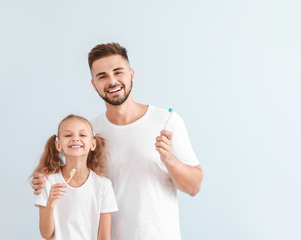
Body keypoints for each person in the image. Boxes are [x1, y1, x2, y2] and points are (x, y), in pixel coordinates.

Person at [33, 43, 203, 240]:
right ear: (93, 84)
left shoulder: (167, 122)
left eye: (118, 72)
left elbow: (194, 187)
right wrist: (45, 180)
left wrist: (169, 159)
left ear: (131, 74)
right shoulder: (89, 133)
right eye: (102, 76)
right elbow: (72, 178)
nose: (112, 81)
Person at [33, 114, 118, 240]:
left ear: (93, 144)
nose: (75, 139)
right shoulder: (48, 182)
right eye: (68, 135)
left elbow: (103, 236)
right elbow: (46, 234)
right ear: (58, 145)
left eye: (82, 135)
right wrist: (51, 202)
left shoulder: (103, 185)